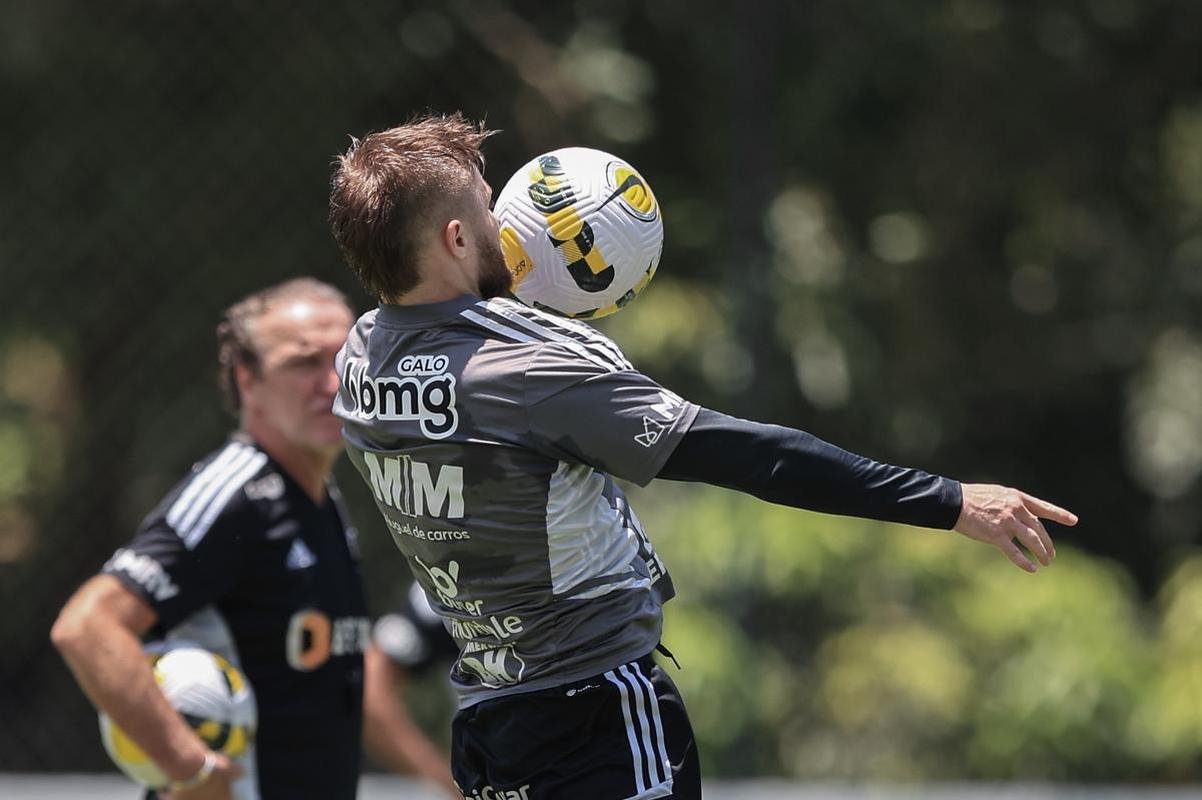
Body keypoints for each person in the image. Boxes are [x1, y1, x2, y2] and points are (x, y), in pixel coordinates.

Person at [327, 113, 1078, 800]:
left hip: (492, 717)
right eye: (487, 208)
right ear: (457, 239)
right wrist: (947, 500)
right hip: (594, 716)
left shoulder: (361, 359)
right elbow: (753, 458)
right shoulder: (530, 372)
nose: (505, 222)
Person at [51, 278, 457, 800]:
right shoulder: (236, 493)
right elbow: (88, 626)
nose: (333, 383)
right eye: (305, 363)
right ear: (248, 380)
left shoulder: (318, 496)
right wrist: (188, 764)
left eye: (346, 358)